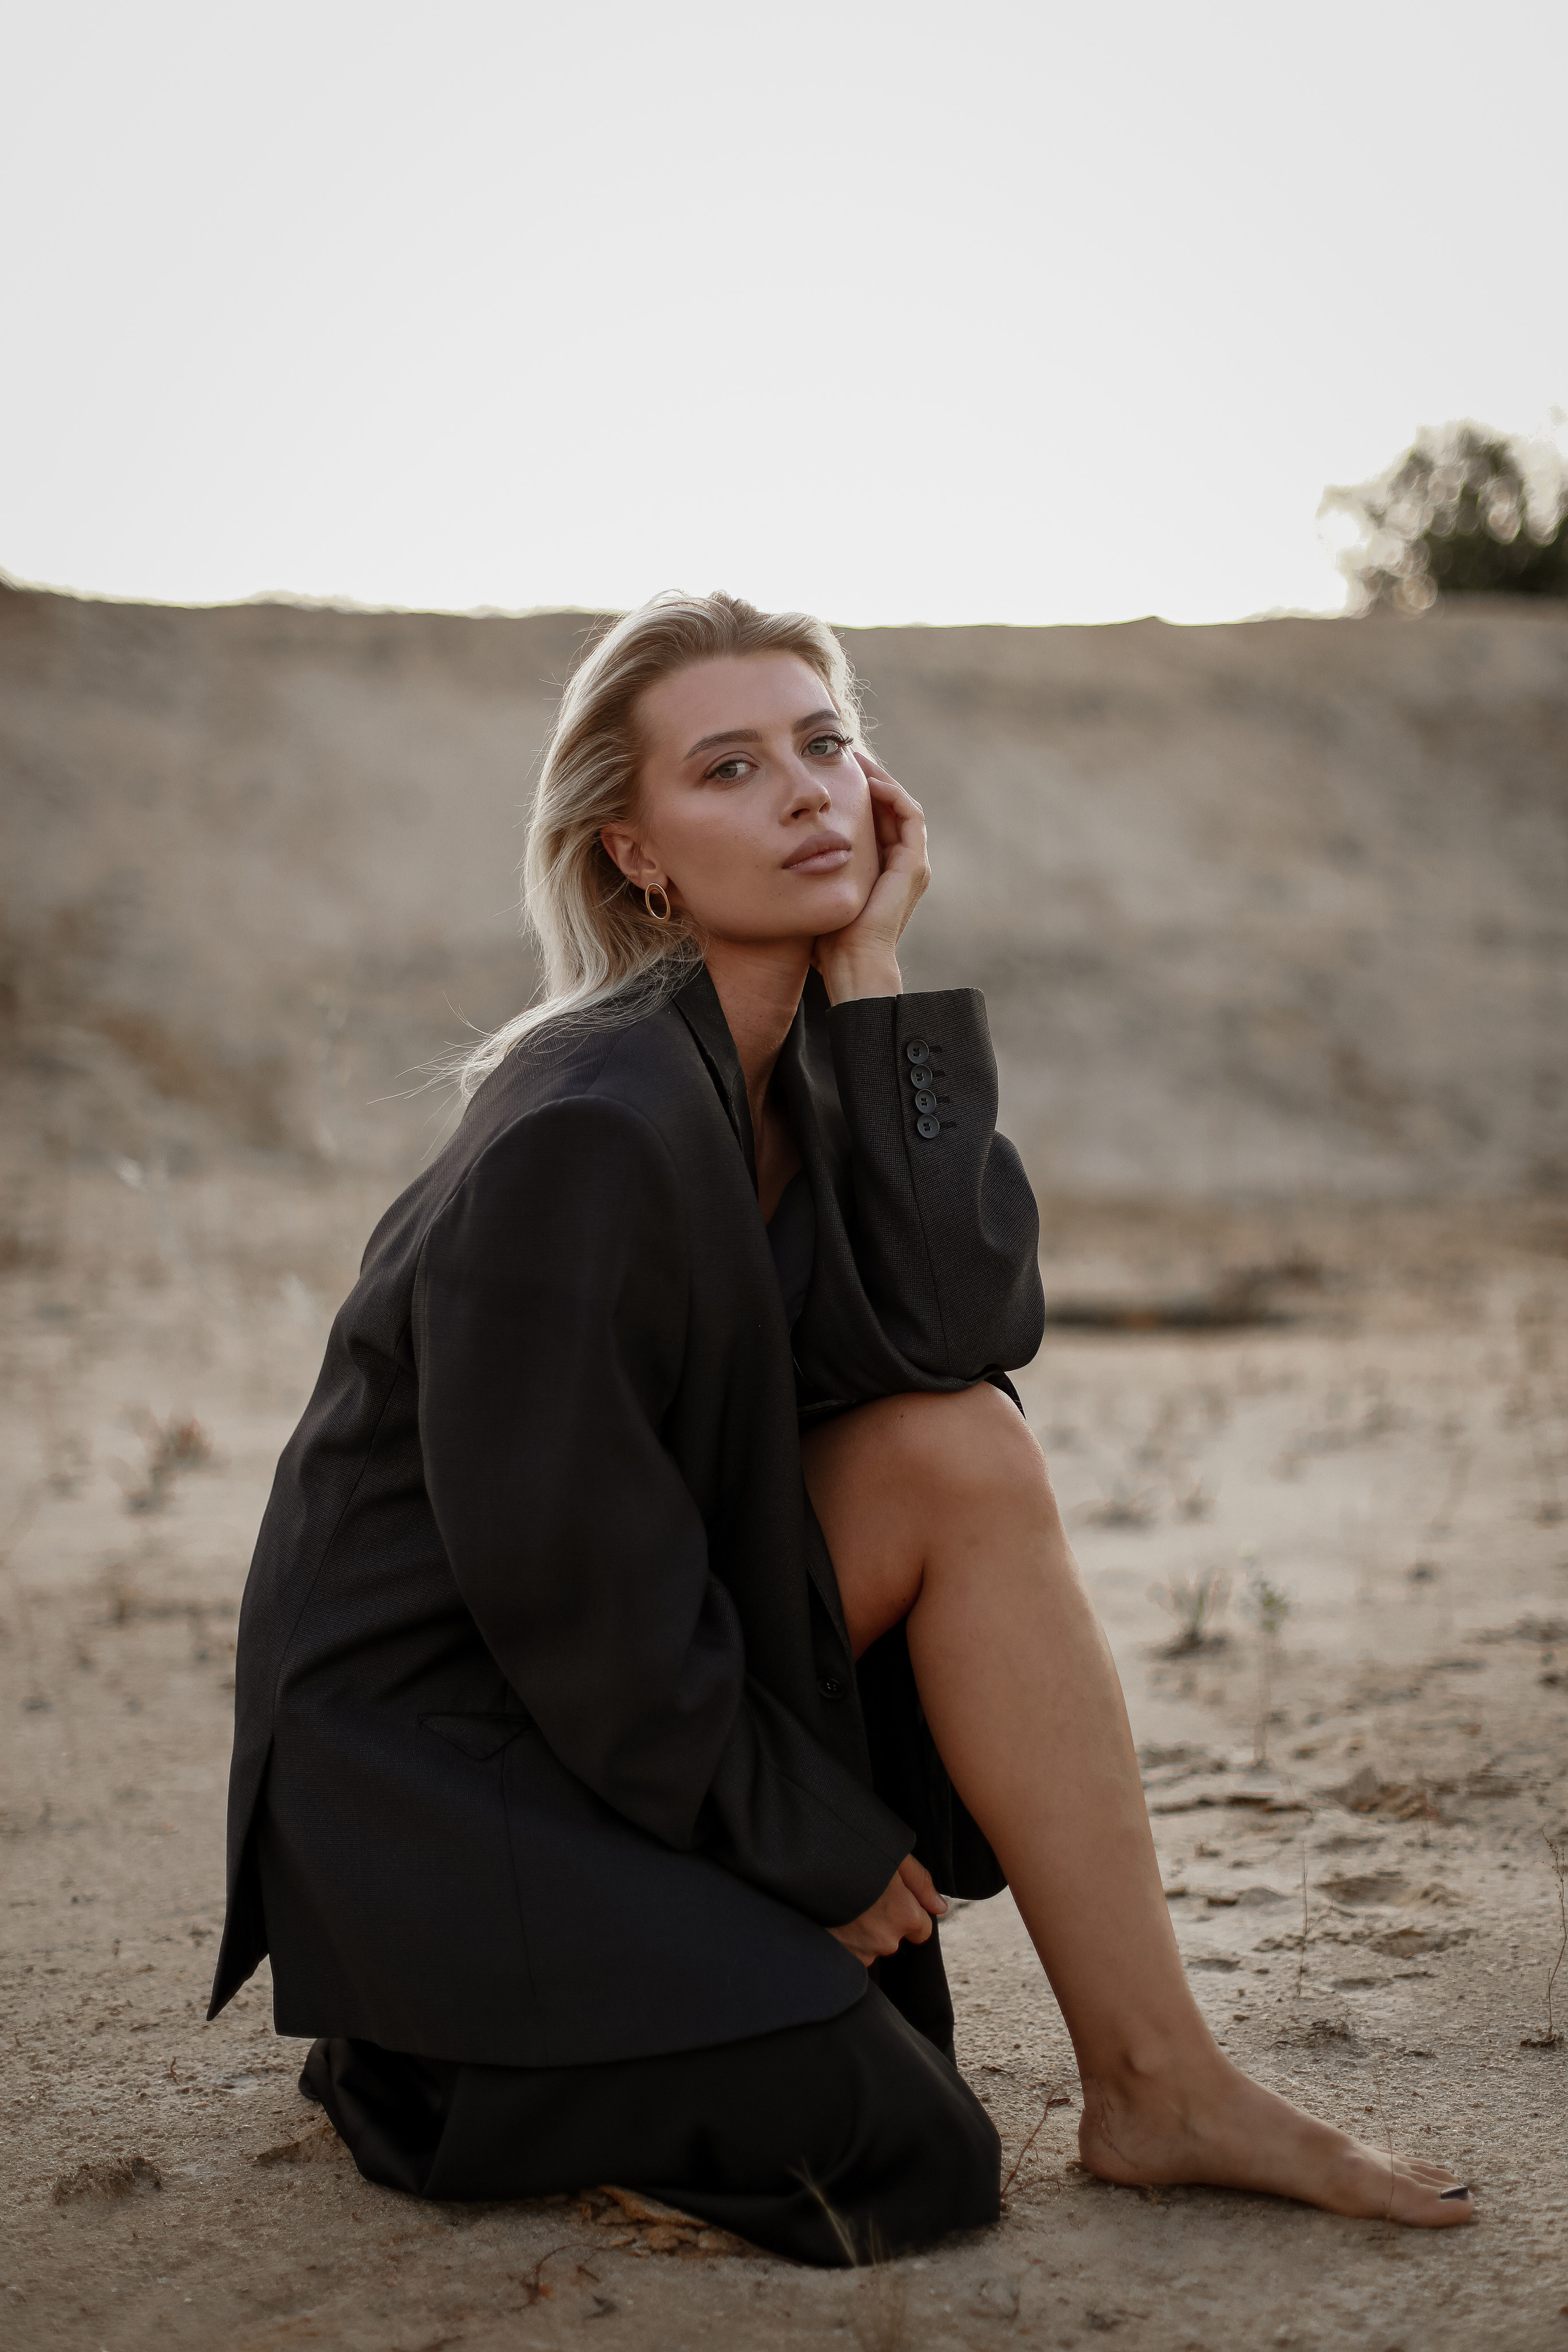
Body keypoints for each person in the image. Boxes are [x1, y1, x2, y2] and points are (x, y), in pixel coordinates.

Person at [209, 590, 1472, 2264]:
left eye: (825, 744)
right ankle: (420, 2062)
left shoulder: (794, 1070)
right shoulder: (585, 1125)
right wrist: (800, 1837)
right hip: (446, 1757)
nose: (806, 792)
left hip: (612, 1677)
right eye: (729, 768)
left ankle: (1160, 2081)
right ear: (635, 855)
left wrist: (874, 983)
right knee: (903, 2156)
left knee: (962, 1450)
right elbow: (562, 1586)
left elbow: (961, 1332)